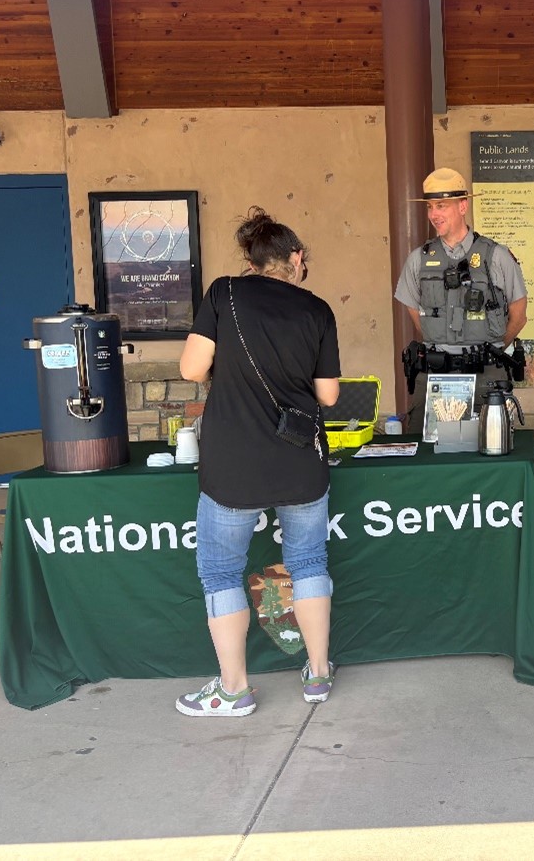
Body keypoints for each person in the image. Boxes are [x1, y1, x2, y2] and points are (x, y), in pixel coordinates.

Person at [175, 208, 341, 717]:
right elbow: (328, 396)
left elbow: (191, 369)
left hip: (233, 465)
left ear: (251, 261)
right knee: (309, 562)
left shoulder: (222, 295)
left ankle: (234, 689)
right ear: (295, 258)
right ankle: (316, 673)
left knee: (222, 574)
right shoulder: (317, 309)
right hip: (298, 462)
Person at [394, 167, 528, 425]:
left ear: (463, 207)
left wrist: (490, 349)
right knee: (426, 455)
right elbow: (416, 315)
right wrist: (445, 344)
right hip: (436, 375)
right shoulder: (418, 260)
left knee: (491, 449)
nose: (434, 214)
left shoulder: (496, 256)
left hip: (485, 376)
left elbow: (519, 315)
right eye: (430, 207)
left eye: (441, 206)